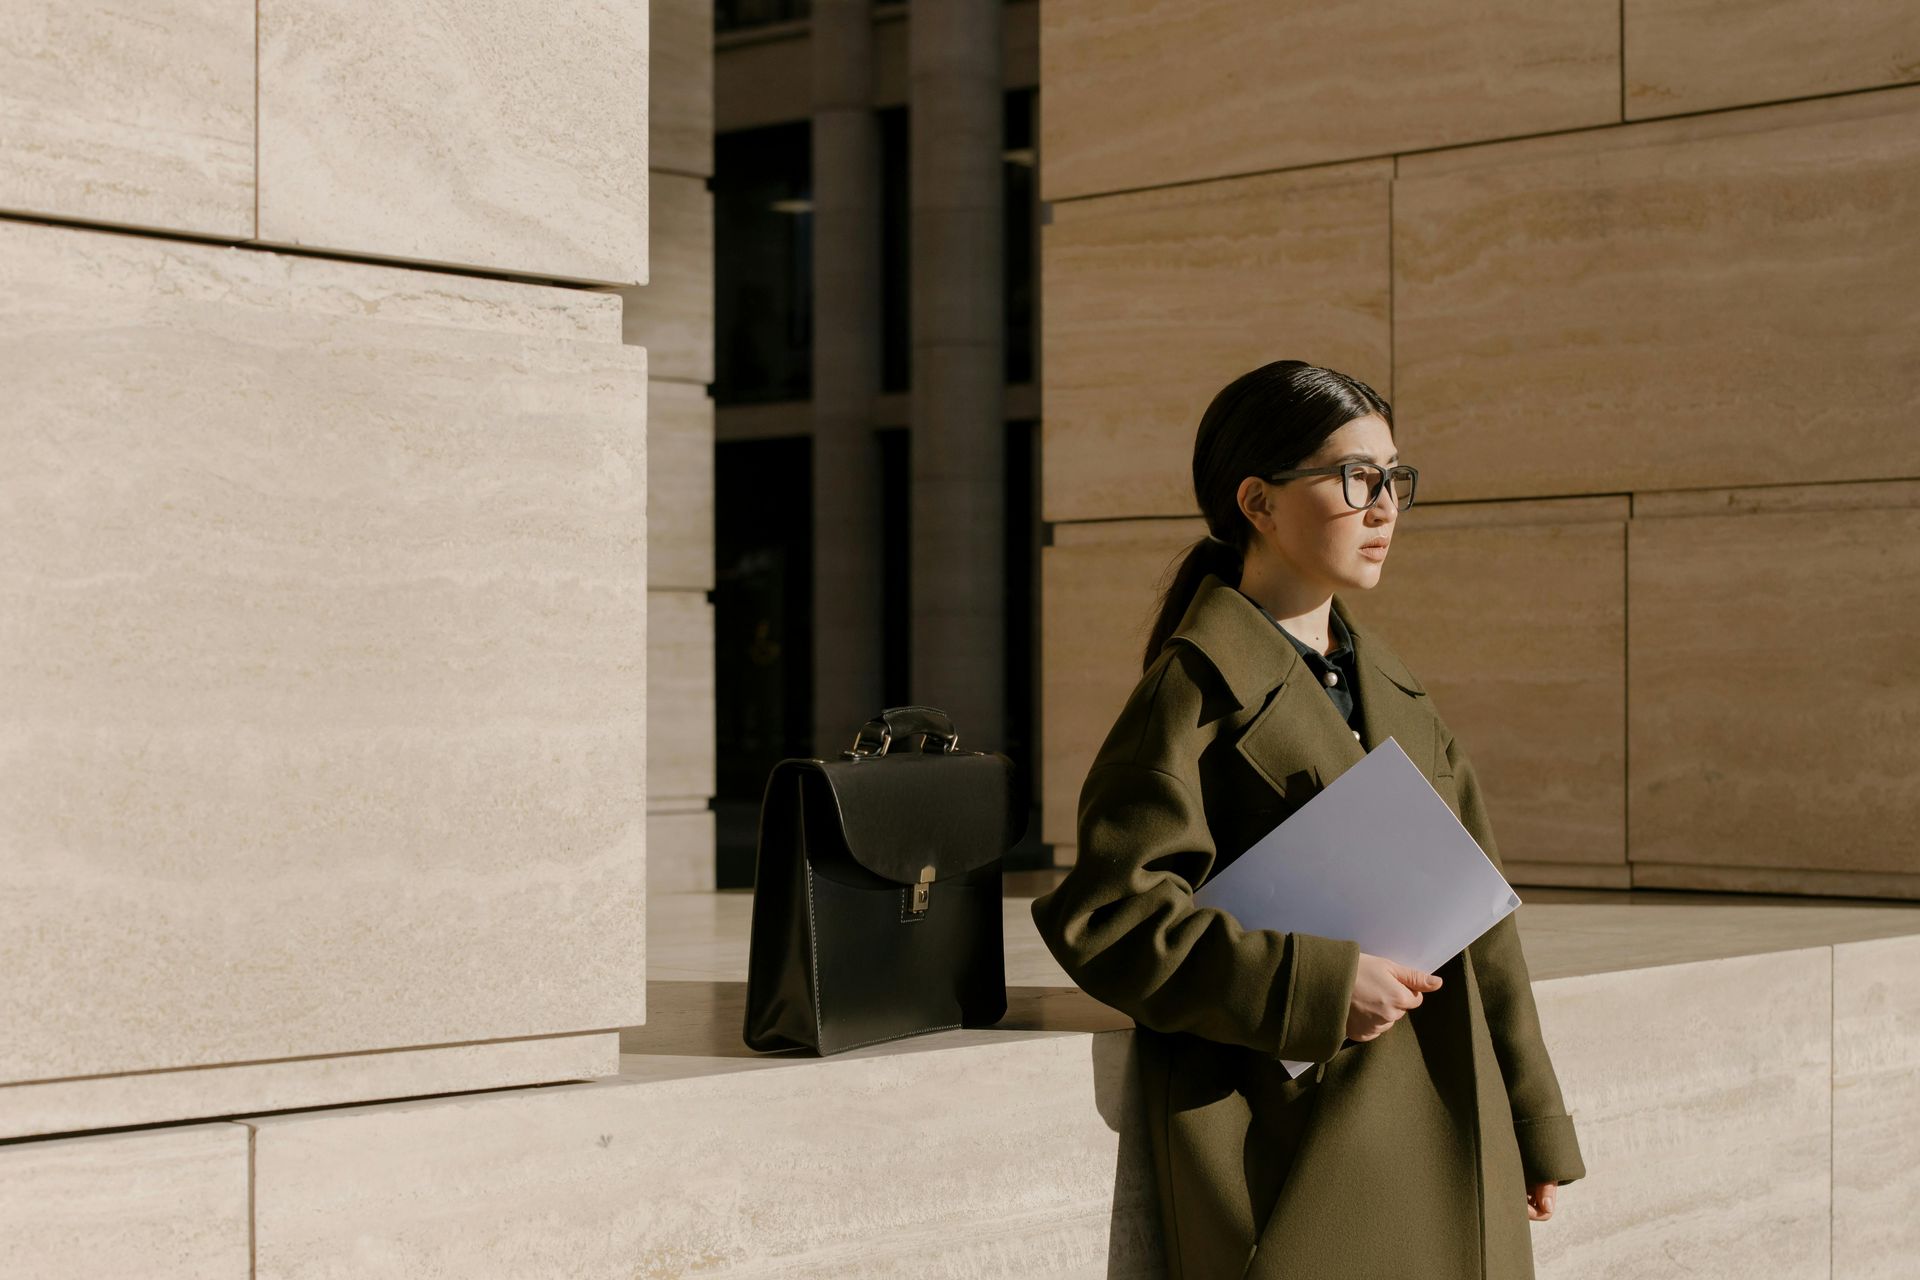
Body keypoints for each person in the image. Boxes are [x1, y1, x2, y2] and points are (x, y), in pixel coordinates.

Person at [1031, 360, 1586, 1279]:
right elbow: (1111, 916)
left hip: (1453, 1127)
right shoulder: (1197, 688)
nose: (1384, 508)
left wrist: (1534, 1122)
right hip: (1301, 1144)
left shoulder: (1397, 693)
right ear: (1257, 501)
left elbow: (1486, 932)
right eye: (1355, 478)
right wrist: (1316, 987)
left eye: (1394, 478)